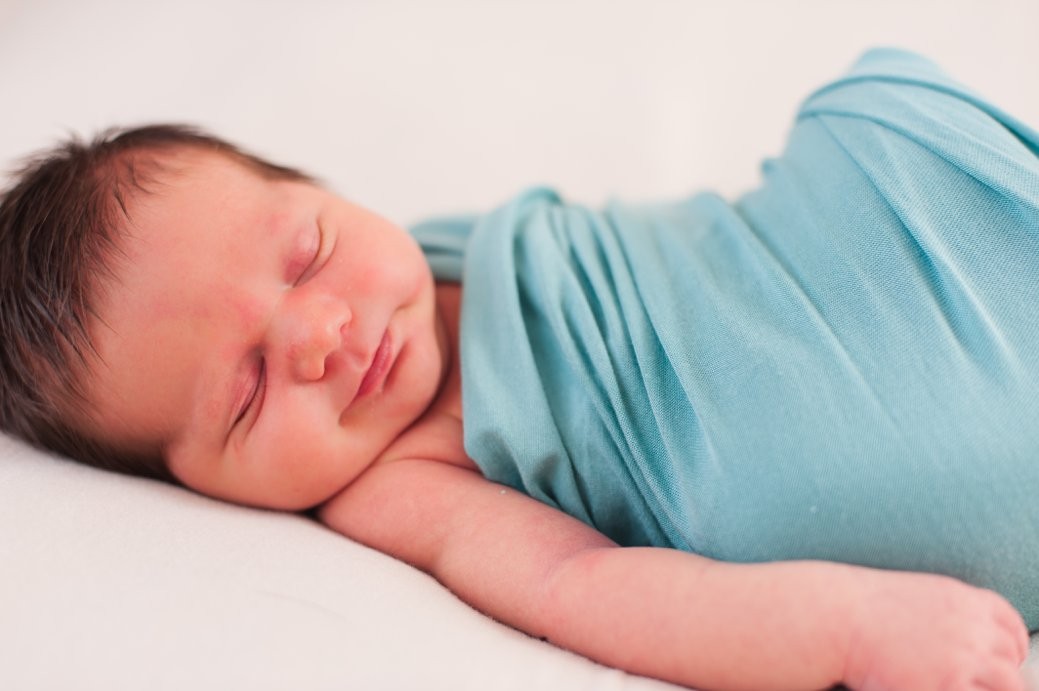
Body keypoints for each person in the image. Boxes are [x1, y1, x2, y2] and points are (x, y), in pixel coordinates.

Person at [1, 47, 1037, 690]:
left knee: (872, 105)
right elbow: (585, 586)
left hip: (806, 264)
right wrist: (850, 627)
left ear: (326, 191)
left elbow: (686, 253)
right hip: (770, 424)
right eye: (248, 389)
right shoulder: (394, 486)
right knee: (794, 487)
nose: (321, 333)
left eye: (308, 250)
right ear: (194, 485)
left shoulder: (441, 246)